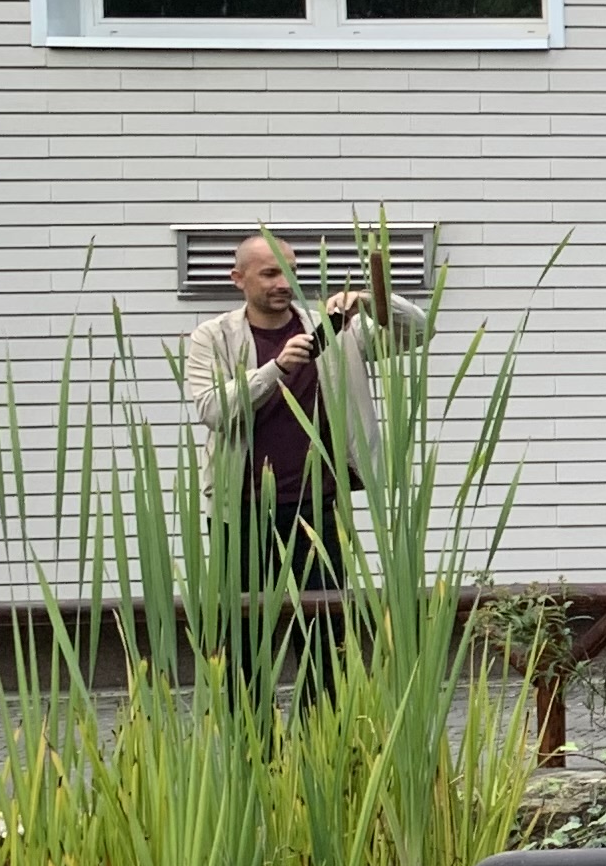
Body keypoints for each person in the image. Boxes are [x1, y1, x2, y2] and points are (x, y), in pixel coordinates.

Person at [178, 230, 430, 608]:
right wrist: (275, 368)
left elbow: (419, 332)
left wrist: (368, 301)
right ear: (238, 278)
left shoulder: (334, 328)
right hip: (242, 512)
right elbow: (213, 410)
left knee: (324, 635)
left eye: (291, 272)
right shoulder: (213, 337)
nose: (283, 283)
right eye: (270, 274)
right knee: (243, 638)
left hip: (318, 508)